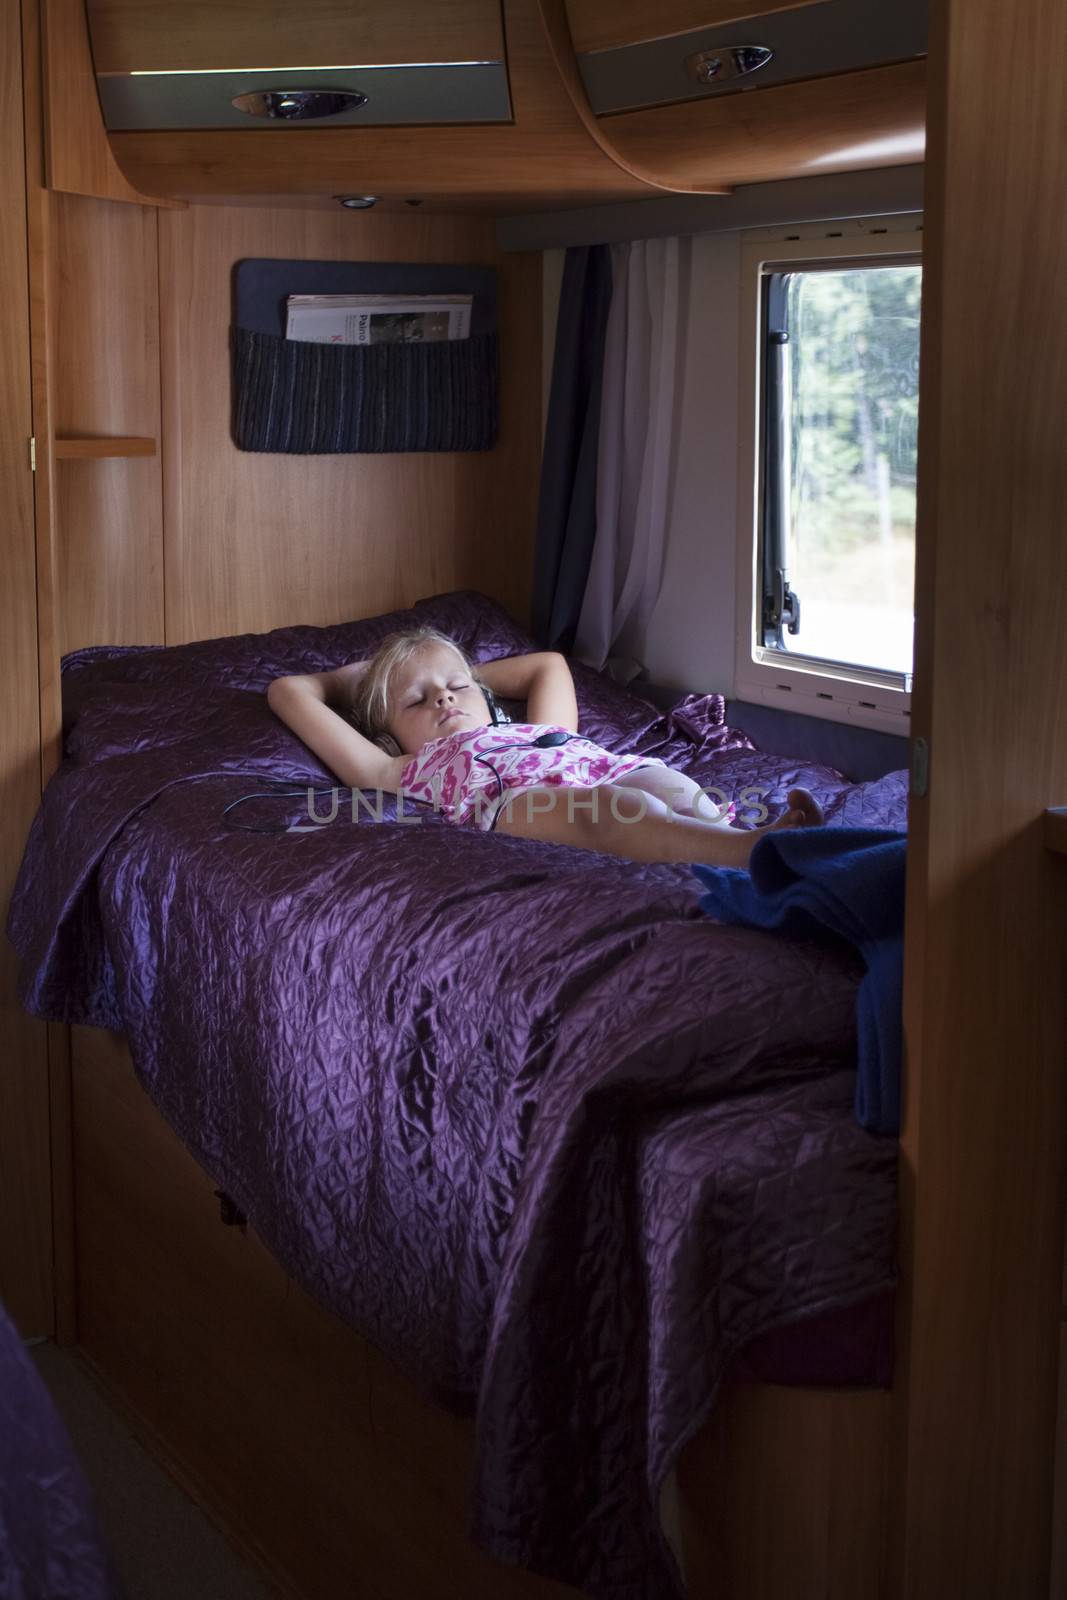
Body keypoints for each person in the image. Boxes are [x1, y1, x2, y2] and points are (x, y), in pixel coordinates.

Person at [267, 628, 822, 868]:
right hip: (519, 805)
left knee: (668, 784)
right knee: (612, 809)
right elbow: (289, 690)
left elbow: (547, 665)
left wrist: (449, 669)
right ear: (387, 735)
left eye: (456, 689)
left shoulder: (537, 727)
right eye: (417, 700)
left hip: (608, 766)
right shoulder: (394, 767)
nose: (443, 699)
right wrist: (377, 679)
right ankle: (749, 853)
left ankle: (729, 839)